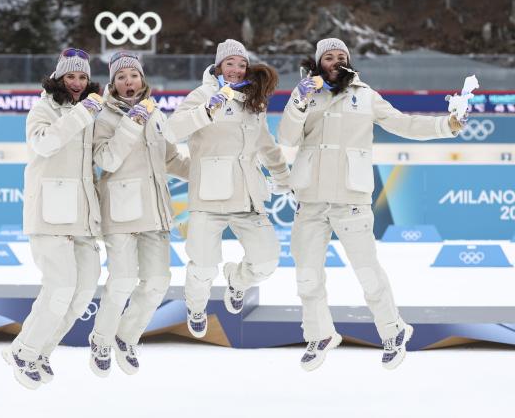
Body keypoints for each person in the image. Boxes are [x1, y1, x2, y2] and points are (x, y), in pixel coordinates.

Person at [278, 38, 464, 371]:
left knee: (368, 274)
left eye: (341, 56)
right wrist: (299, 100)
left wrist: (444, 125)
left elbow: (404, 123)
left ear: (348, 61)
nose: (335, 61)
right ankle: (319, 334)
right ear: (318, 62)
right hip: (311, 201)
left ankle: (393, 331)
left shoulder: (365, 96)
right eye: (329, 56)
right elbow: (287, 138)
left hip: (351, 200)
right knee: (307, 277)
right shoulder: (304, 93)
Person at [167, 39, 290, 338]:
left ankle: (237, 280)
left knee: (266, 262)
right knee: (203, 266)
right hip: (208, 198)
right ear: (219, 65)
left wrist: (282, 176)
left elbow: (266, 144)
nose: (236, 70)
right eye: (230, 63)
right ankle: (196, 307)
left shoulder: (253, 101)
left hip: (248, 196)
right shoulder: (201, 94)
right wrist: (206, 112)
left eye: (241, 64)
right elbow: (171, 131)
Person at [2, 48, 104, 389]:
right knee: (59, 288)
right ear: (59, 78)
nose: (77, 83)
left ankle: (39, 349)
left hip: (83, 216)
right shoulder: (42, 108)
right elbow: (44, 145)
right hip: (48, 214)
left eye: (83, 77)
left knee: (83, 291)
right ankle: (24, 351)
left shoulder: (92, 111)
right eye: (71, 76)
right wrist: (82, 114)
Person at [89, 51, 190, 377]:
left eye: (133, 75)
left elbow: (171, 159)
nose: (128, 81)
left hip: (155, 212)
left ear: (142, 79)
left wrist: (204, 174)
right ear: (113, 83)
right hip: (120, 212)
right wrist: (131, 123)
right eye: (121, 77)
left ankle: (126, 336)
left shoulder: (156, 114)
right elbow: (107, 160)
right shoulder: (102, 117)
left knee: (158, 281)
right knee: (121, 281)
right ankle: (101, 339)